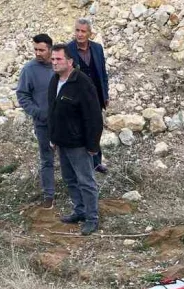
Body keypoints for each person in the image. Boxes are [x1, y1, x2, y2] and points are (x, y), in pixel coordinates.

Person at [48, 44, 103, 236]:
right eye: (53, 59)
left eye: (58, 59)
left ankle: (92, 218)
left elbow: (94, 116)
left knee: (86, 181)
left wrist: (92, 145)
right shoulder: (55, 81)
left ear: (70, 61)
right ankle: (79, 211)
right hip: (62, 142)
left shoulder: (82, 83)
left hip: (79, 144)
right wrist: (52, 137)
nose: (54, 63)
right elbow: (52, 111)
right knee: (70, 179)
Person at [16, 33, 57, 208]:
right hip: (43, 124)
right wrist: (37, 112)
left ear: (50, 49)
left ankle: (75, 190)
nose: (38, 53)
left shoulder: (60, 64)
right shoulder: (29, 69)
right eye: (35, 49)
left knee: (70, 157)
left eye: (42, 50)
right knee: (47, 159)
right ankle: (49, 195)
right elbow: (22, 95)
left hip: (65, 123)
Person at [67, 18, 109, 174]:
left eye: (83, 31)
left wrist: (105, 93)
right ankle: (82, 165)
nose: (79, 34)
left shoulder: (97, 48)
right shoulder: (68, 49)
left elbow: (103, 73)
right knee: (79, 130)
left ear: (89, 33)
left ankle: (96, 163)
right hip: (77, 99)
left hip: (96, 96)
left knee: (95, 128)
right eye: (77, 30)